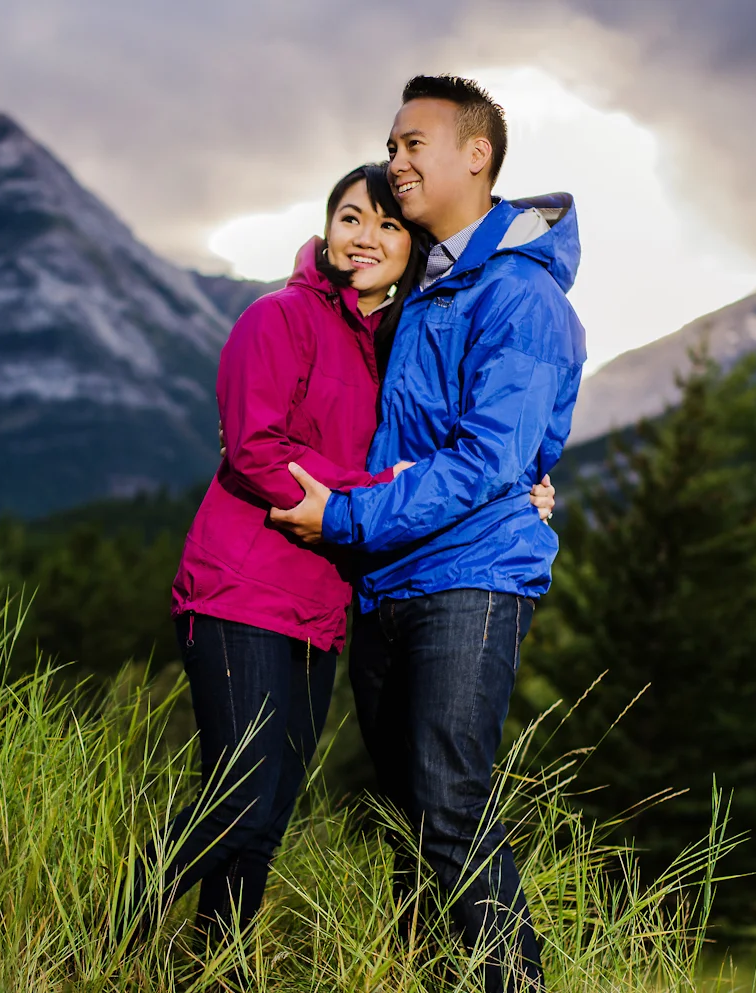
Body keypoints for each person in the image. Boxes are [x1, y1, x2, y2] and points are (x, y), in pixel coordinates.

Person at [120, 163, 557, 949]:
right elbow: (254, 450)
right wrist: (377, 488)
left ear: (412, 248)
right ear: (326, 229)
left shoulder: (391, 346)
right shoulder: (278, 316)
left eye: (389, 225)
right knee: (238, 798)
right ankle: (100, 935)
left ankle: (218, 965)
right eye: (351, 218)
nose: (366, 237)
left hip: (322, 608)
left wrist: (522, 487)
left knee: (266, 814)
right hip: (242, 588)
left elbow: (456, 445)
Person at [271, 75, 587, 992]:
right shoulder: (426, 285)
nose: (397, 161)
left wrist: (345, 515)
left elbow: (488, 458)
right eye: (392, 146)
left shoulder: (520, 295)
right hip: (389, 583)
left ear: (476, 155)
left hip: (468, 581)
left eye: (414, 144)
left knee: (449, 804)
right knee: (411, 819)